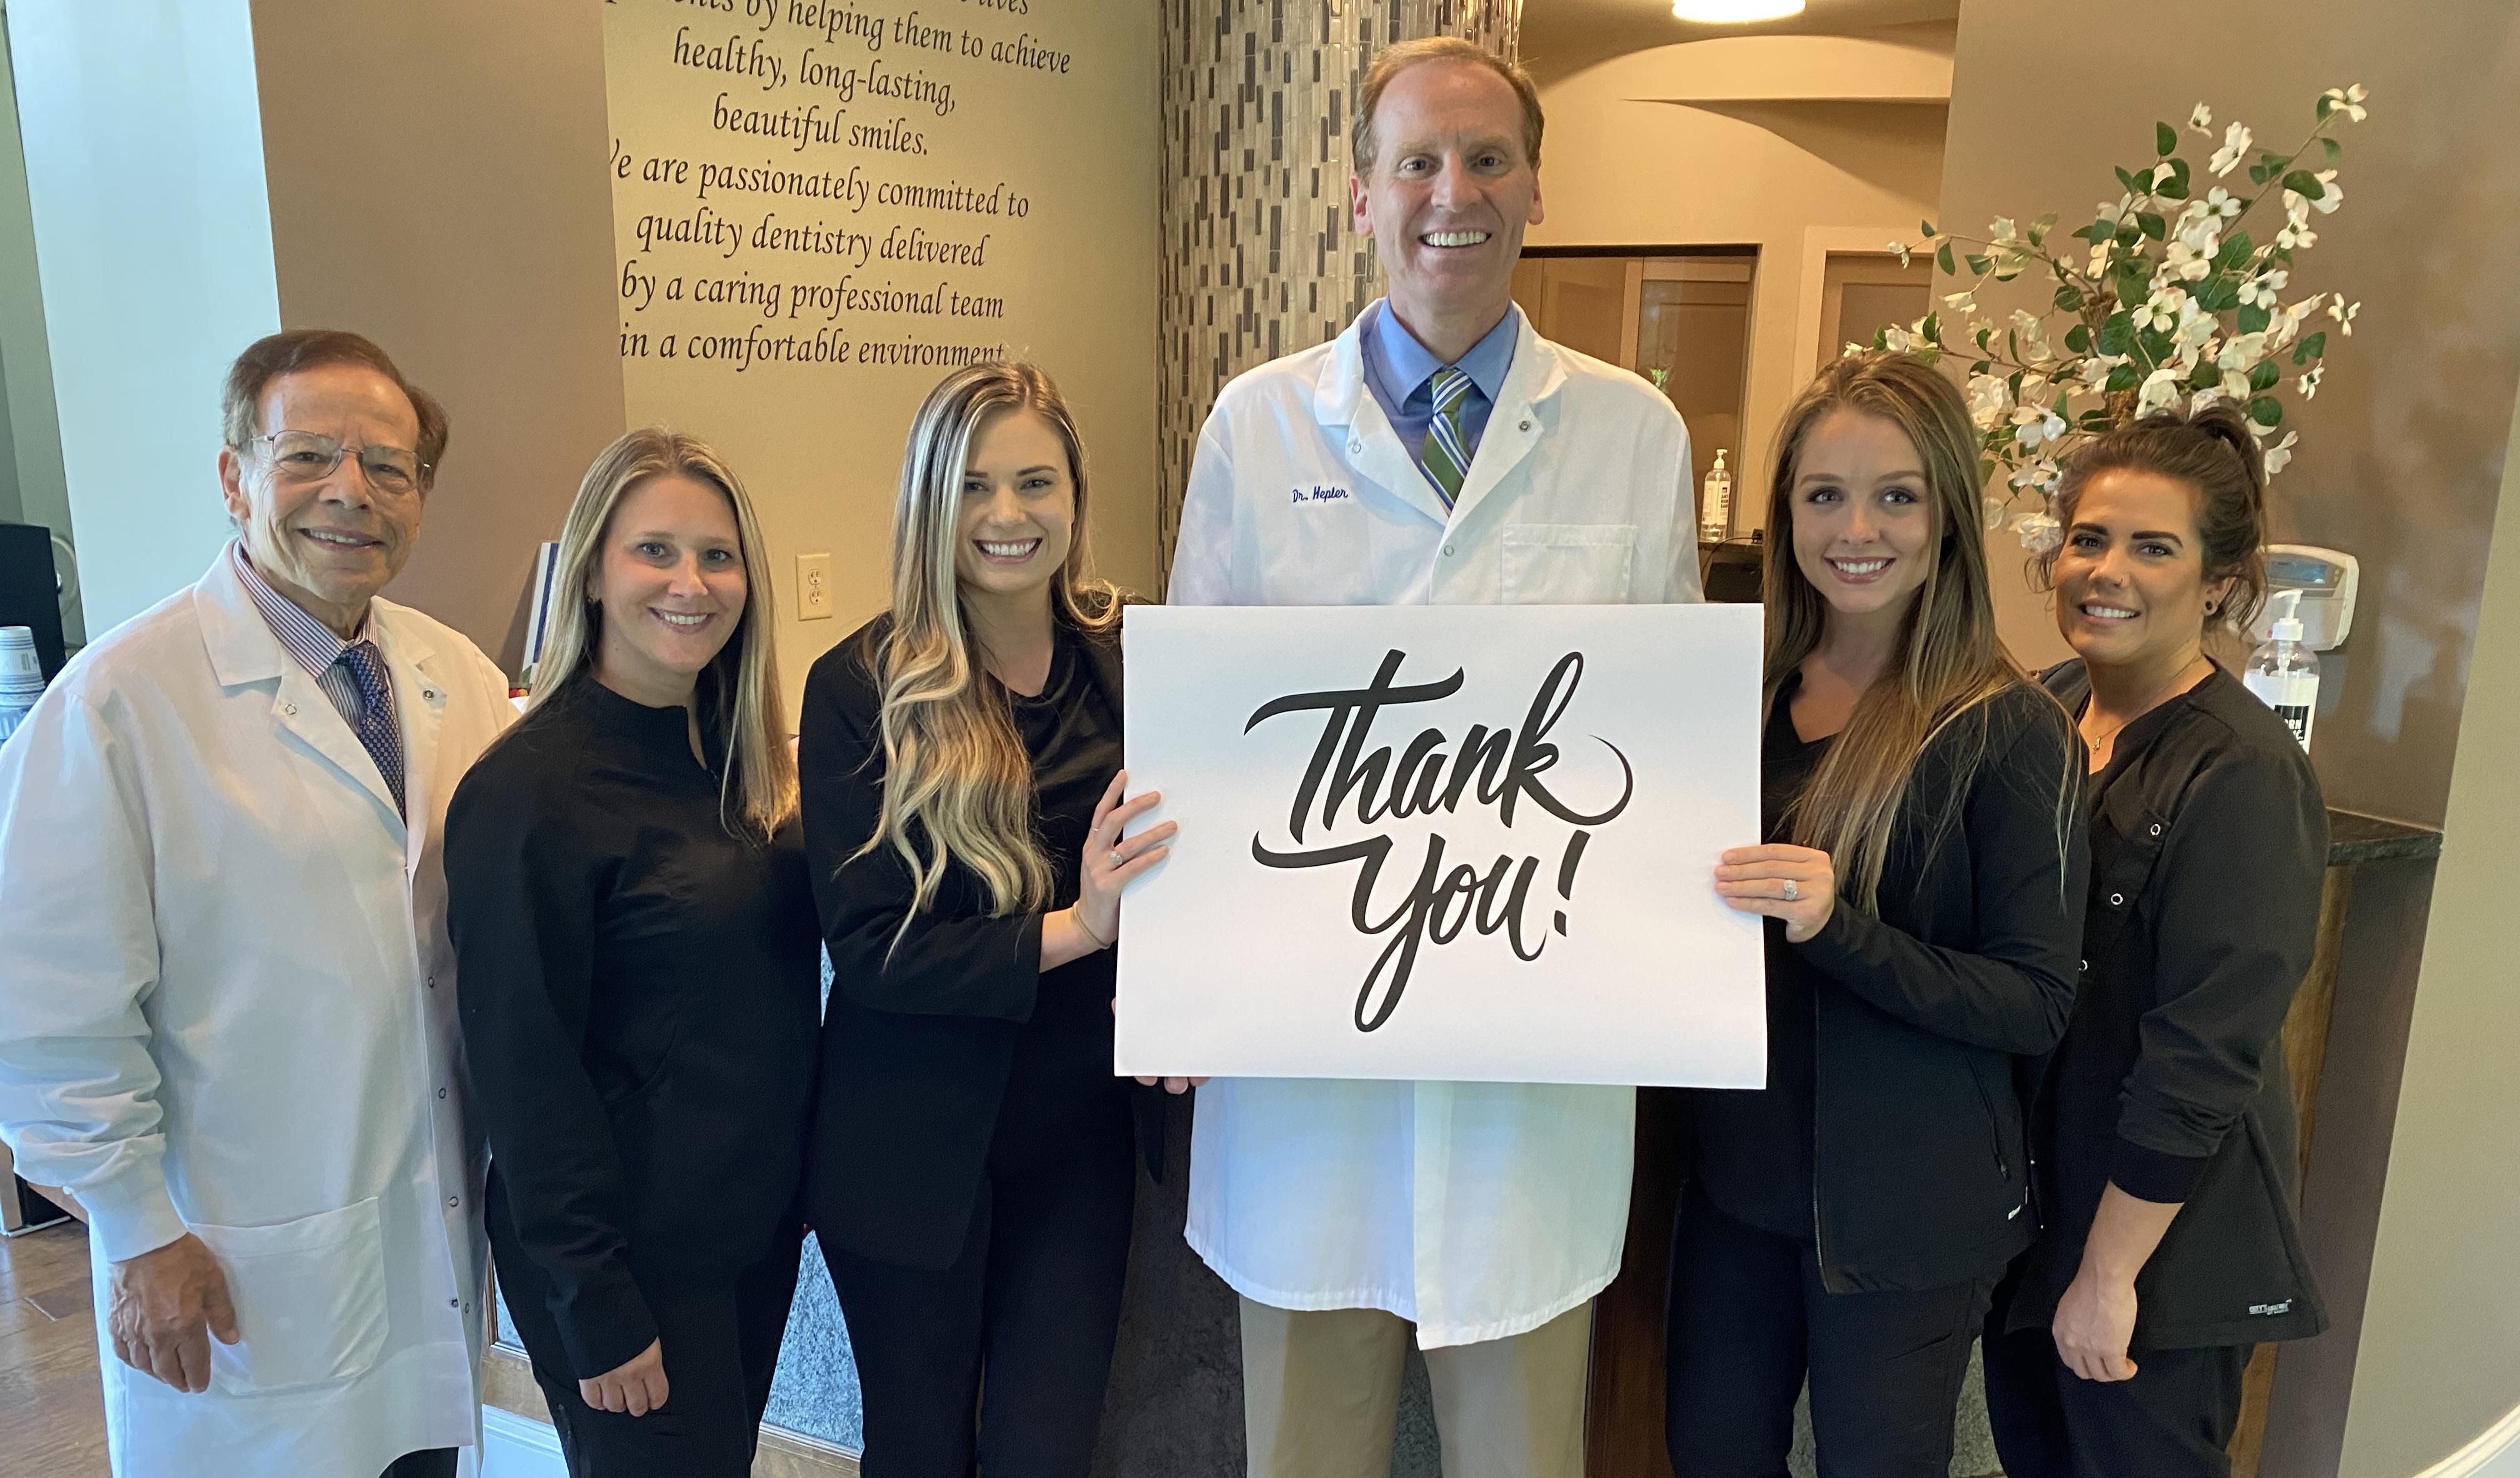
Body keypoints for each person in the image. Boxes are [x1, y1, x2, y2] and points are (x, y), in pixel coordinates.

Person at [1168, 37, 1701, 1478]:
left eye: (1486, 160)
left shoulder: (1632, 433)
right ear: (1362, 195)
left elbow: (1661, 751)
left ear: (1535, 190)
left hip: (1531, 1075)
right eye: (1417, 162)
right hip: (1308, 1079)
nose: (1451, 194)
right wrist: (1182, 973)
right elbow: (1200, 751)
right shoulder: (1259, 424)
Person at [0, 330, 511, 1477]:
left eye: (388, 466)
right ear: (235, 478)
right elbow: (45, 1016)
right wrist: (135, 1232)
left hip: (424, 1245)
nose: (351, 492)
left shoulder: (458, 676)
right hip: (235, 1266)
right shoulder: (117, 707)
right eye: (308, 456)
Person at [1666, 351, 2089, 1478]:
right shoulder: (1737, 698)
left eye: (1896, 495)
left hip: (1911, 1212)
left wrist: (1839, 928)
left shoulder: (2007, 729)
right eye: (1825, 495)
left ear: (1946, 514)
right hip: (1736, 1188)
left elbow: (2035, 1001)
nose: (1858, 529)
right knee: (1708, 1454)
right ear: (1785, 514)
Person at [800, 362, 1178, 1478]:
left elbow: (1188, 862)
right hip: (912, 1146)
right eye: (972, 486)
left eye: (1034, 482)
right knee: (918, 1453)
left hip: (1078, 1144)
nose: (1006, 514)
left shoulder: (1133, 660)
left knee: (1044, 1453)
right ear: (930, 500)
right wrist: (1080, 928)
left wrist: (1193, 996)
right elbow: (871, 947)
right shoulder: (859, 686)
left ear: (1075, 497)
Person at [444, 430, 818, 1477]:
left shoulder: (743, 766)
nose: (690, 584)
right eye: (655, 550)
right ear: (591, 574)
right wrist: (592, 1300)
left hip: (745, 1237)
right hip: (626, 1267)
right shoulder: (528, 794)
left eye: (717, 556)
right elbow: (524, 1073)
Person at [1982, 405, 2329, 1477]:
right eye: (2089, 539)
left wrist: (2108, 1277)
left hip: (2155, 1254)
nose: (2107, 571)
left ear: (2219, 584)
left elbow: (2204, 1057)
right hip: (2043, 1220)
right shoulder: (2048, 711)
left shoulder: (2243, 772)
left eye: (2153, 547)